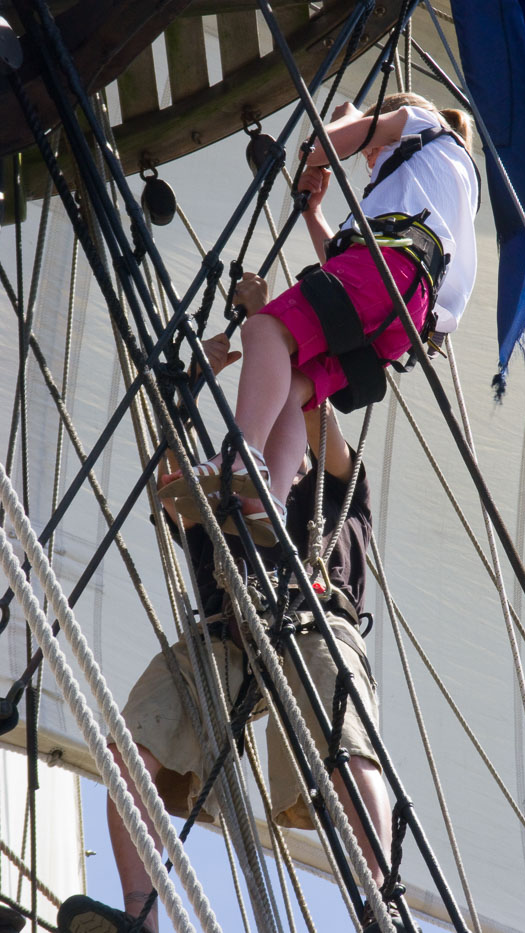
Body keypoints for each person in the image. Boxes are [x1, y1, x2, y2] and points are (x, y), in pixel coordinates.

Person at [57, 334, 404, 933]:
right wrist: (191, 382)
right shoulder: (216, 510)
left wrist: (292, 341)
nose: (268, 456)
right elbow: (170, 474)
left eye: (277, 446)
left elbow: (318, 420)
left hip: (314, 621)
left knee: (344, 746)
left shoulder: (338, 496)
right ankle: (139, 916)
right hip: (222, 639)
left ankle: (380, 902)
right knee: (131, 748)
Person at [159, 91, 479, 548]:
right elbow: (349, 262)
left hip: (386, 270)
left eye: (372, 150)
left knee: (263, 329)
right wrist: (313, 214)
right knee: (292, 388)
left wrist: (347, 119)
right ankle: (265, 501)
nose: (368, 161)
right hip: (403, 316)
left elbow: (318, 149)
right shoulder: (446, 182)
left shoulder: (416, 122)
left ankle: (241, 457)